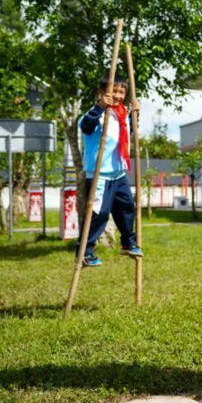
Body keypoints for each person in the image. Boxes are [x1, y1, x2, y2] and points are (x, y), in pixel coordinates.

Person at [78, 75, 143, 267]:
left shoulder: (121, 115)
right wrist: (100, 106)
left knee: (127, 208)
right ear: (102, 93)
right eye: (113, 91)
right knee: (99, 213)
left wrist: (134, 116)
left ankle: (128, 243)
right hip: (99, 175)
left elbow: (128, 134)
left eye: (121, 92)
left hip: (119, 173)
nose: (117, 95)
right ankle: (84, 252)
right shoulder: (96, 113)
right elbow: (86, 126)